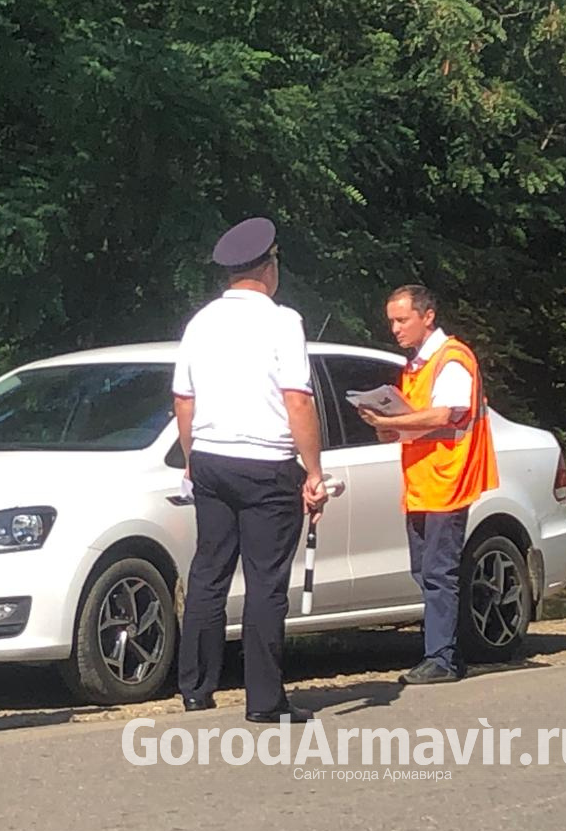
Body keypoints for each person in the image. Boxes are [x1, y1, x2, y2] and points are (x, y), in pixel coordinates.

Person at [172, 217, 328, 723]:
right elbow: (298, 401)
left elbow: (183, 399)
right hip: (266, 463)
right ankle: (264, 699)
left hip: (212, 459)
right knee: (265, 581)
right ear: (268, 267)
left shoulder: (200, 322)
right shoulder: (283, 321)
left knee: (209, 573)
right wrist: (314, 471)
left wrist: (195, 461)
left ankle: (195, 687)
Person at [359, 284, 498, 684]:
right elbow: (421, 421)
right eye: (392, 321)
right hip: (424, 481)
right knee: (426, 570)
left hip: (447, 480)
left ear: (428, 316)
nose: (395, 329)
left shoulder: (452, 358)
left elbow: (445, 415)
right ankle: (443, 651)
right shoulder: (419, 364)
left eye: (402, 320)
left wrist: (391, 423)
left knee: (439, 571)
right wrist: (393, 430)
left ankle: (443, 658)